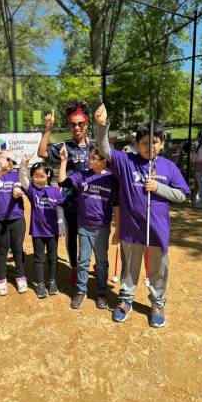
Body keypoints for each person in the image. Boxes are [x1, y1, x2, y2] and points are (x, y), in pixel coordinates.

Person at [95, 104, 190, 328]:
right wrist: (101, 127)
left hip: (157, 232)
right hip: (131, 230)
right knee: (129, 269)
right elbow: (104, 149)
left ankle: (157, 303)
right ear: (137, 144)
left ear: (162, 144)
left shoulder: (169, 167)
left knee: (158, 270)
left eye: (154, 142)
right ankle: (126, 300)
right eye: (145, 143)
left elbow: (182, 195)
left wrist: (158, 187)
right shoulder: (127, 162)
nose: (150, 146)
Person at [37, 100, 95, 285]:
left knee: (91, 234)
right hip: (70, 200)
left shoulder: (95, 146)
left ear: (87, 124)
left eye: (81, 123)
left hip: (93, 200)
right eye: (73, 124)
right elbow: (42, 153)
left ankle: (89, 262)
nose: (77, 127)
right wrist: (48, 129)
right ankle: (75, 267)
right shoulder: (65, 146)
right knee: (73, 235)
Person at [58, 144, 119, 310]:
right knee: (83, 260)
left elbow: (117, 205)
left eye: (93, 158)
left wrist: (118, 230)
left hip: (101, 227)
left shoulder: (112, 179)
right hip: (83, 225)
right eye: (89, 157)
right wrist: (63, 160)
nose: (88, 160)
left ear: (104, 161)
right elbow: (62, 182)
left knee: (101, 262)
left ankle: (101, 293)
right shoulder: (82, 175)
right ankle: (81, 291)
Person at [19, 153, 66, 298]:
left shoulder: (55, 191)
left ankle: (52, 281)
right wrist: (24, 163)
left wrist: (62, 227)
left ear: (48, 176)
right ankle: (40, 283)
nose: (38, 179)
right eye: (36, 176)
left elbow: (60, 210)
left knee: (52, 258)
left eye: (42, 176)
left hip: (53, 231)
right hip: (38, 231)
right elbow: (23, 178)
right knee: (39, 258)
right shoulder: (32, 190)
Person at [0, 149, 27, 296]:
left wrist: (18, 189)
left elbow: (19, 184)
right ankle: (1, 279)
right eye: (8, 159)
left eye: (13, 161)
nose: (11, 163)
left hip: (17, 219)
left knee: (18, 249)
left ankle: (21, 276)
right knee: (2, 250)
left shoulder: (16, 175)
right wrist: (0, 170)